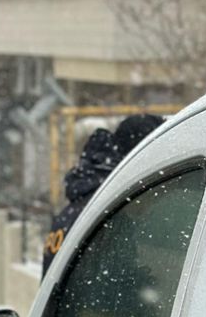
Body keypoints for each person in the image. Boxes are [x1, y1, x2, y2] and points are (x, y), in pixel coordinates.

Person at [41, 112, 164, 276]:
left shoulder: (79, 210)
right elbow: (110, 289)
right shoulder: (110, 216)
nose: (156, 196)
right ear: (140, 160)